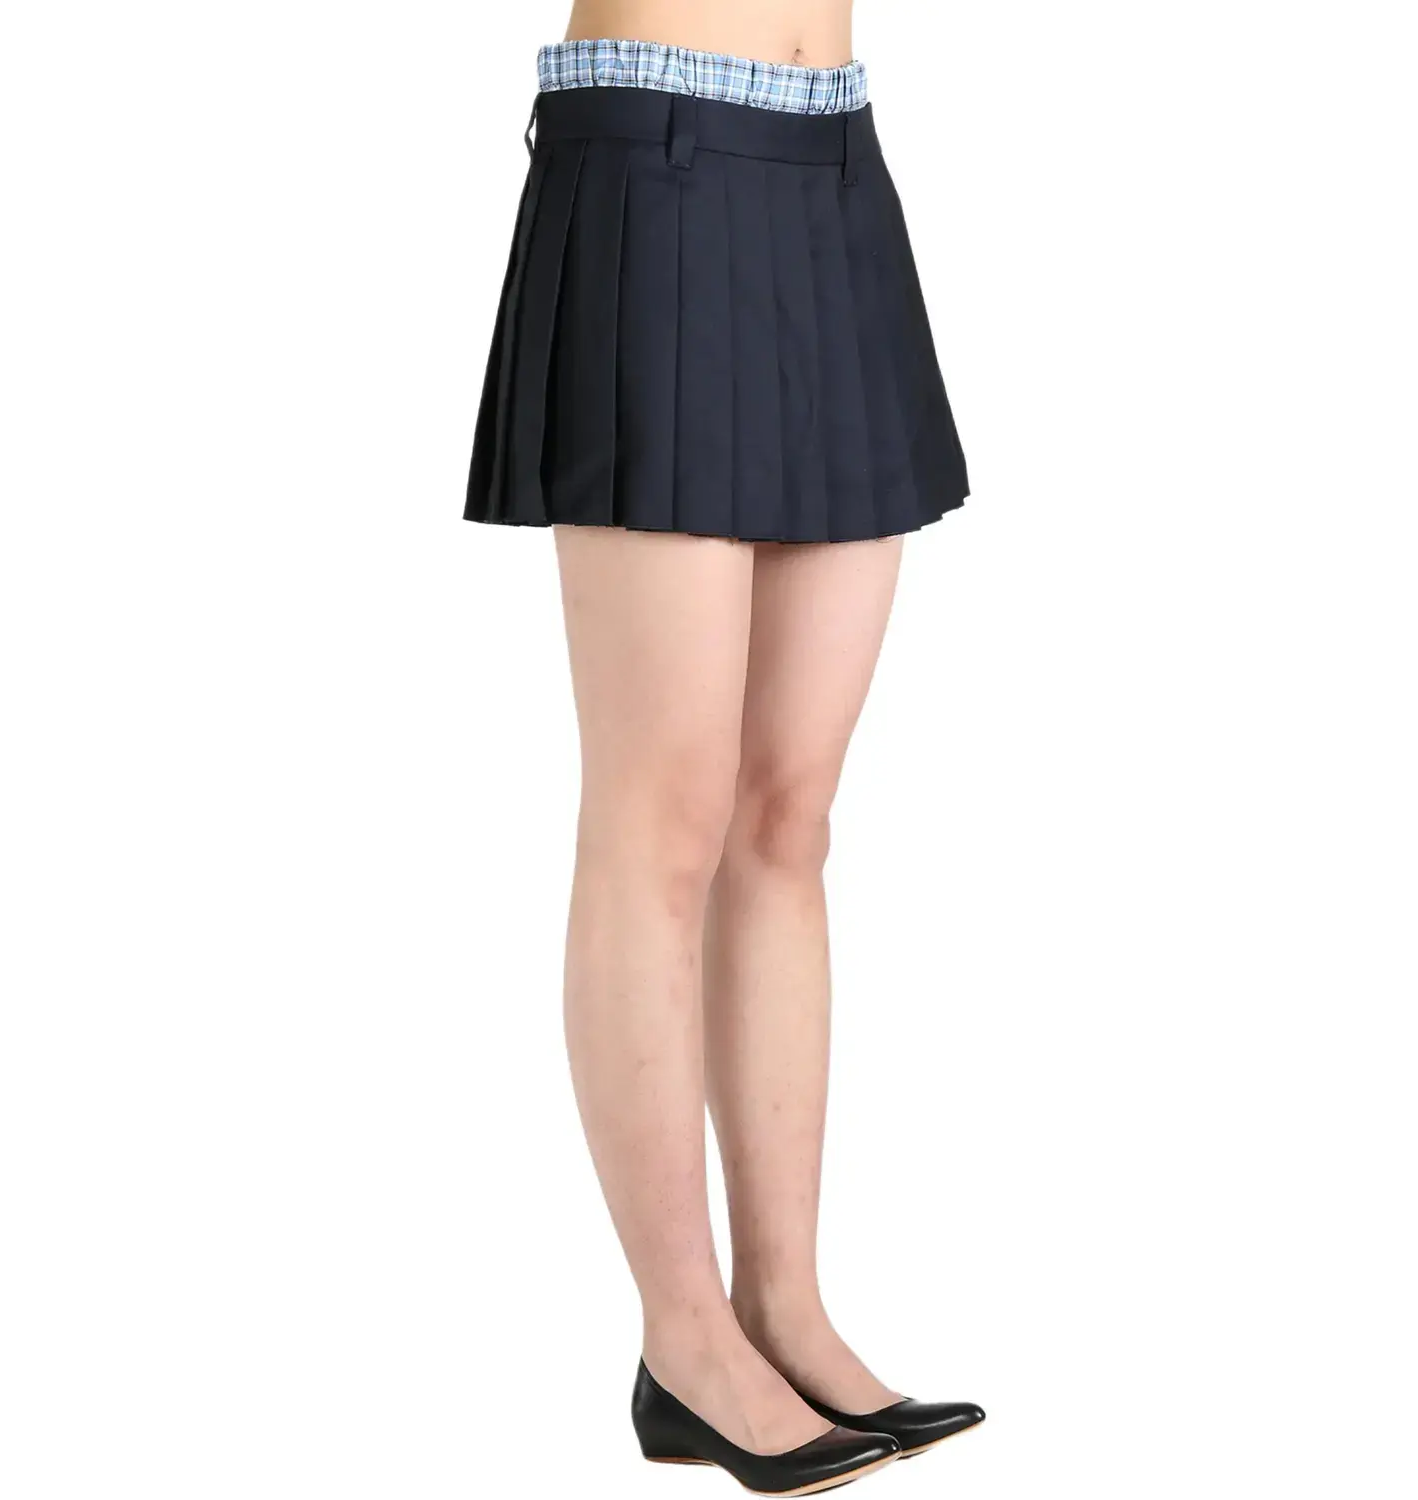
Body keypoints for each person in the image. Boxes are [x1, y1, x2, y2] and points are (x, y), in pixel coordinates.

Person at [466, 3, 983, 1491]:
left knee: (788, 816)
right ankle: (685, 1340)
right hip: (658, 156)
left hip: (835, 165)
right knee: (664, 816)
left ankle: (784, 1309)